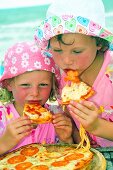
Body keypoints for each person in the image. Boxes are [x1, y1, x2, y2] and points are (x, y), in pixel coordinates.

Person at [34, 0, 113, 147]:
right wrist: (71, 137)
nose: (66, 61)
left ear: (99, 43)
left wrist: (98, 127)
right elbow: (71, 118)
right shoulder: (60, 77)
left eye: (77, 51)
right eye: (57, 50)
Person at [0, 41, 74, 155]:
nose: (35, 93)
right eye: (25, 85)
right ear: (8, 84)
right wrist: (3, 144)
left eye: (43, 85)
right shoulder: (2, 117)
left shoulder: (57, 115)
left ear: (52, 85)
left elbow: (70, 157)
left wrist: (66, 139)